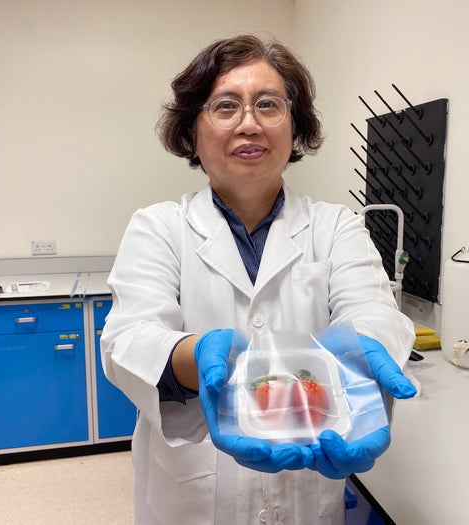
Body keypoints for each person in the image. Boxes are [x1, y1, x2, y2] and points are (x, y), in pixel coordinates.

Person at [100, 34, 416, 525]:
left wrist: (359, 354)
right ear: (192, 131)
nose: (249, 123)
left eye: (268, 104)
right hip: (192, 498)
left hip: (308, 483)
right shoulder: (157, 226)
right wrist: (195, 356)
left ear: (295, 127)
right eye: (225, 106)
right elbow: (129, 338)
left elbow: (371, 311)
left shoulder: (337, 226)